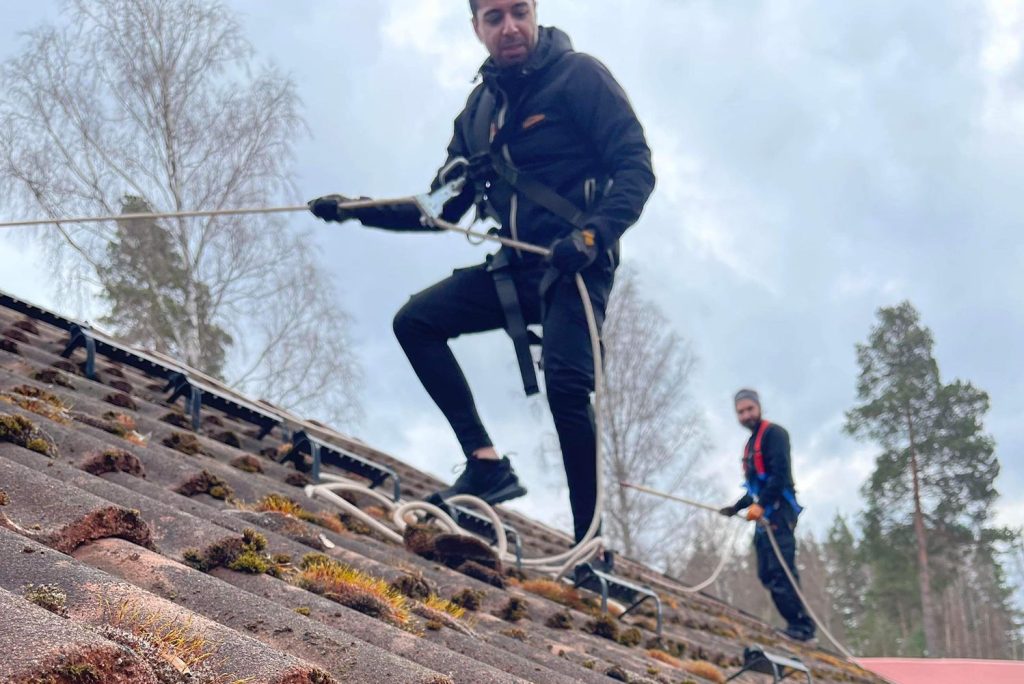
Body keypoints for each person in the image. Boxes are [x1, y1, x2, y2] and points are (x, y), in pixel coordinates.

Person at [308, 0, 655, 544]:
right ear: (476, 28)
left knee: (566, 386)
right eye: (494, 17)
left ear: (536, 14)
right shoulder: (477, 116)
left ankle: (590, 544)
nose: (510, 26)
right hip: (515, 270)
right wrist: (355, 211)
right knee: (415, 322)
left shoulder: (579, 76)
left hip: (576, 268)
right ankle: (486, 463)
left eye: (519, 11)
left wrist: (590, 237)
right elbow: (438, 209)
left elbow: (635, 166)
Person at [719, 389, 816, 642]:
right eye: (741, 412)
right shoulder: (750, 446)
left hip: (779, 513)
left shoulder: (775, 435)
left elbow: (778, 475)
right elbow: (754, 486)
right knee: (766, 572)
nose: (746, 415)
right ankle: (793, 623)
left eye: (749, 409)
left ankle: (803, 627)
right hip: (762, 517)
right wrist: (736, 508)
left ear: (759, 407)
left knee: (782, 570)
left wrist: (762, 504)